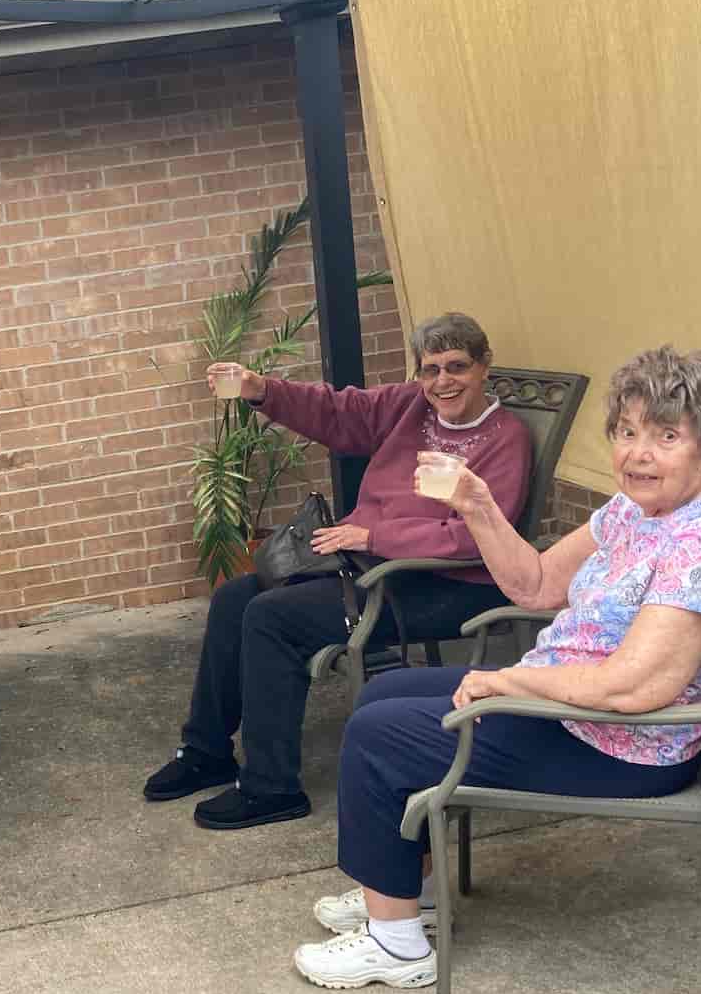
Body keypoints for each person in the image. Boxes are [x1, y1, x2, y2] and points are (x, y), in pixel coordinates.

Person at [296, 347, 701, 992]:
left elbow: (637, 686)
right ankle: (410, 891)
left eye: (666, 437)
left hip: (618, 743)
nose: (638, 454)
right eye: (627, 432)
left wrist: (507, 682)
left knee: (380, 736)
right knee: (386, 693)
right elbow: (539, 584)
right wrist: (476, 504)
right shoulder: (644, 505)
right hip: (574, 706)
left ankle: (396, 947)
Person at [145, 312, 534, 830]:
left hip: (444, 582)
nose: (443, 381)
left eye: (457, 366)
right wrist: (262, 390)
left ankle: (271, 787)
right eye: (430, 369)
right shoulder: (411, 406)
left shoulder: (506, 439)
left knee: (272, 617)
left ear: (484, 366)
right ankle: (206, 751)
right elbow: (339, 411)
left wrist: (375, 536)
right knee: (235, 598)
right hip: (371, 566)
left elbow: (476, 536)